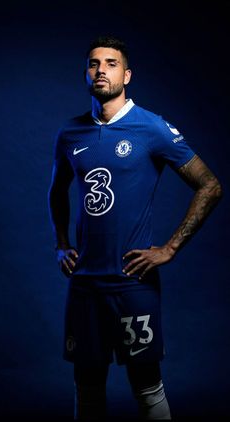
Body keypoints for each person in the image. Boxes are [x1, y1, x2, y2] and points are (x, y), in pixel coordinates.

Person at [48, 35, 222, 420]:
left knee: (146, 382)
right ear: (86, 73)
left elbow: (210, 185)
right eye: (94, 63)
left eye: (111, 64)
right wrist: (62, 243)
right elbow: (56, 191)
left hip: (132, 282)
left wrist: (170, 248)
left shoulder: (151, 128)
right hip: (86, 283)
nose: (101, 70)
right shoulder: (70, 133)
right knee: (87, 383)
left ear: (126, 75)